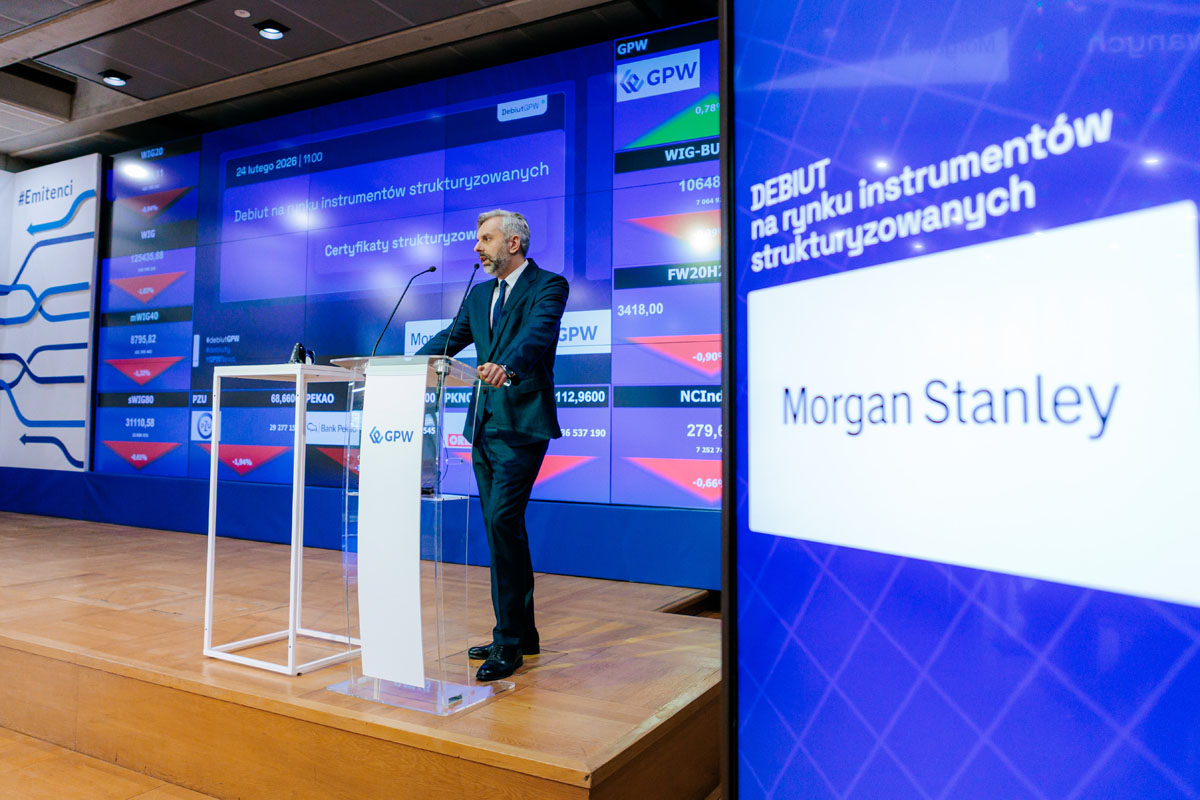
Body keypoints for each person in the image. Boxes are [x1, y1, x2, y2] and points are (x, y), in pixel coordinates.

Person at [417, 209, 568, 681]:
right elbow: (449, 339)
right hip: (483, 425)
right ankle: (522, 632)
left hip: (523, 424)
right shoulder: (480, 294)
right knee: (502, 529)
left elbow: (536, 336)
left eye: (485, 238)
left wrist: (507, 366)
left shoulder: (549, 286)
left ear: (513, 243)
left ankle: (508, 643)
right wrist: (402, 366)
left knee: (503, 521)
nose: (477, 247)